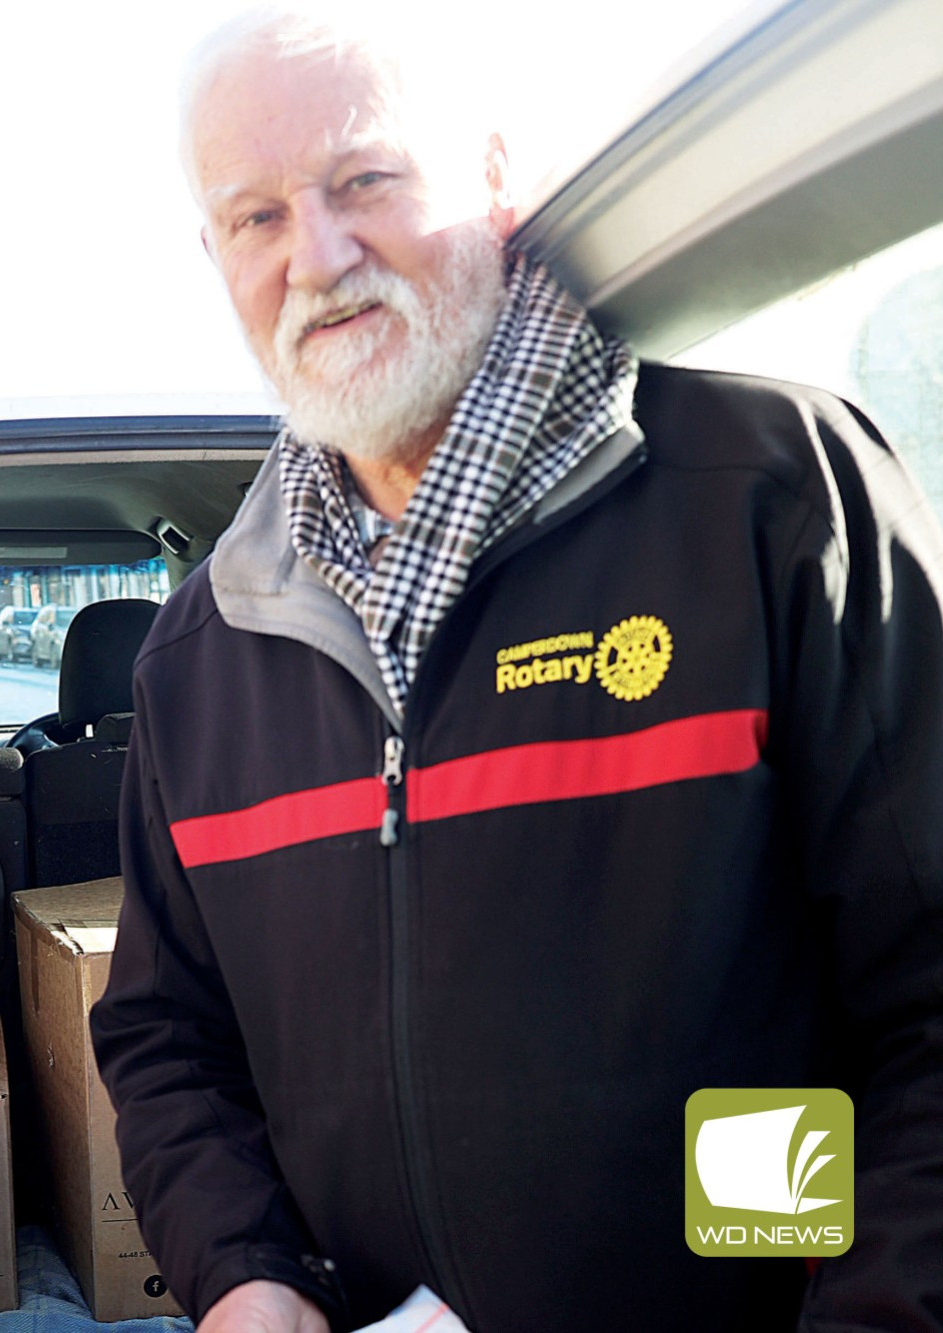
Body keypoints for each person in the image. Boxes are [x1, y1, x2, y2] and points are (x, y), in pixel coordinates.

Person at [91, 12, 943, 1333]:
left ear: (497, 179)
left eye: (365, 180)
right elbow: (166, 1042)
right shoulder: (203, 659)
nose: (317, 256)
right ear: (215, 260)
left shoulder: (767, 498)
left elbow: (926, 1001)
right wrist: (245, 1274)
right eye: (256, 217)